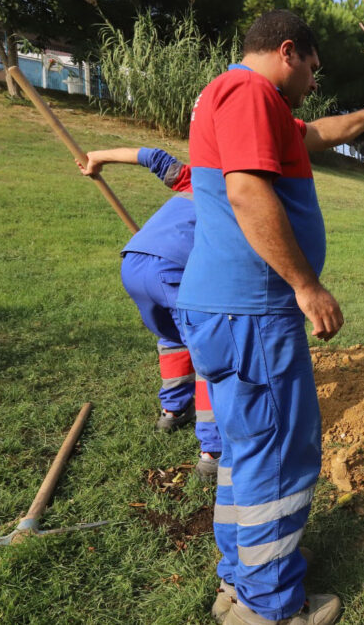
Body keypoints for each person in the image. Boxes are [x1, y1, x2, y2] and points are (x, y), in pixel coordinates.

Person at [175, 10, 364, 625]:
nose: (313, 77)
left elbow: (320, 135)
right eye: (310, 66)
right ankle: (272, 607)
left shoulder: (239, 98)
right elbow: (247, 191)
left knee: (247, 449)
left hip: (224, 310)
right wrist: (306, 284)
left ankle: (241, 579)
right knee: (280, 450)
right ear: (286, 51)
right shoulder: (250, 92)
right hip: (251, 310)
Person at [77, 147, 223, 480]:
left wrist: (97, 156)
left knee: (172, 336)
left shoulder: (196, 179)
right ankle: (212, 452)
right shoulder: (242, 194)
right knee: (209, 349)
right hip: (173, 268)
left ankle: (173, 411)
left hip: (134, 261)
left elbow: (153, 157)